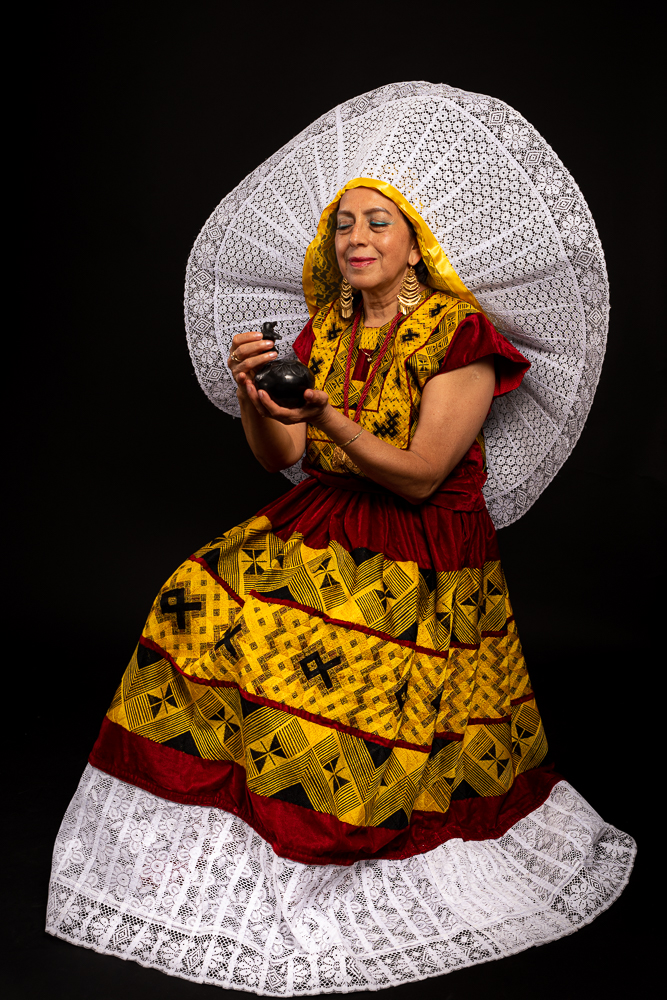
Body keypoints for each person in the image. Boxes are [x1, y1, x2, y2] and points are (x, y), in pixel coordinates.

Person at [46, 178, 634, 994]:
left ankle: (318, 819)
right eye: (343, 226)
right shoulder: (326, 327)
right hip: (328, 515)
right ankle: (231, 805)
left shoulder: (460, 334)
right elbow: (279, 458)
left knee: (331, 664)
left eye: (377, 223)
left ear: (414, 244)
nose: (356, 239)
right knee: (197, 596)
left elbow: (422, 476)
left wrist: (326, 418)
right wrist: (256, 396)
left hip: (421, 544)